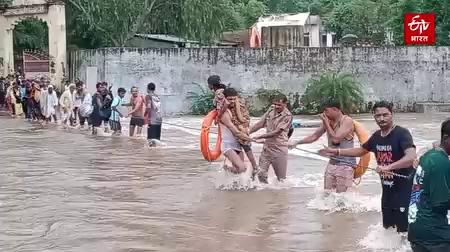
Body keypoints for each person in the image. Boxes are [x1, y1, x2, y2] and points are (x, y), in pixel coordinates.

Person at [319, 101, 417, 233]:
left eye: (385, 115)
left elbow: (411, 157)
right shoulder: (377, 136)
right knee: (388, 229)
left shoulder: (402, 133)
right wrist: (336, 151)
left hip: (404, 189)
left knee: (404, 231)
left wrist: (389, 167)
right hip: (387, 191)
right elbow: (361, 150)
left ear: (392, 114)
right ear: (374, 117)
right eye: (378, 116)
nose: (381, 119)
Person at [289, 99, 356, 193]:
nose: (324, 113)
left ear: (335, 109)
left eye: (326, 111)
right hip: (332, 162)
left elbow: (336, 139)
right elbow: (314, 136)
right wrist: (296, 142)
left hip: (345, 164)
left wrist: (326, 123)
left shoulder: (347, 120)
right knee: (327, 194)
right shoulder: (329, 121)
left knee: (342, 197)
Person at [408, 119, 450, 252]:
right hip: (433, 234)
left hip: (416, 227)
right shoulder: (441, 162)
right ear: (445, 137)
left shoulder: (429, 155)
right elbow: (440, 203)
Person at [249, 94, 293, 183]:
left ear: (285, 104)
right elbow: (260, 124)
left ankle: (278, 196)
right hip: (267, 148)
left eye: (279, 105)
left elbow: (277, 132)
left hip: (279, 148)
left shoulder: (287, 116)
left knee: (281, 180)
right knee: (261, 174)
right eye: (275, 104)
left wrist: (260, 136)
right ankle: (265, 193)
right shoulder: (271, 110)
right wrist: (247, 133)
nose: (276, 107)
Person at [223, 88, 259, 173]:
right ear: (225, 98)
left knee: (239, 171)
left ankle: (227, 173)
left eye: (234, 99)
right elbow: (236, 132)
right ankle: (227, 170)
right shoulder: (224, 113)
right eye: (229, 99)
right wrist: (251, 139)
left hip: (237, 145)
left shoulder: (240, 108)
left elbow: (245, 123)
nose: (232, 101)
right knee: (241, 168)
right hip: (228, 146)